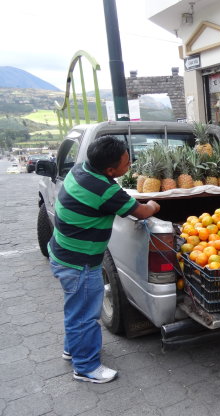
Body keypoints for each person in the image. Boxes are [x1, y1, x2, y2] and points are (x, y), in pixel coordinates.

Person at [48, 135, 160, 383]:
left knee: (75, 308)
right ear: (110, 170)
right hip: (79, 263)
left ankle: (73, 349)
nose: (129, 166)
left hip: (63, 253)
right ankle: (86, 367)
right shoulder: (105, 189)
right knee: (85, 315)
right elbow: (141, 212)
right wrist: (153, 204)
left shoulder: (80, 170)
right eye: (126, 163)